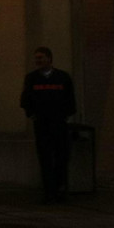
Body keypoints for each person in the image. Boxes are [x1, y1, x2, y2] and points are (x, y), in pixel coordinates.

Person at [20, 46, 76, 203]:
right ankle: (49, 192)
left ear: (49, 59)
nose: (38, 61)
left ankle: (59, 189)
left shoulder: (63, 78)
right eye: (36, 58)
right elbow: (25, 100)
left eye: (41, 58)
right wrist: (33, 115)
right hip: (42, 125)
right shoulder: (31, 78)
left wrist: (64, 115)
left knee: (61, 157)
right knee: (45, 158)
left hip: (59, 124)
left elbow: (70, 100)